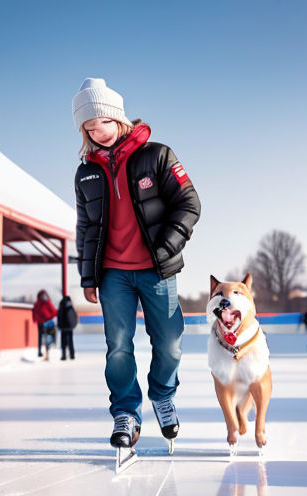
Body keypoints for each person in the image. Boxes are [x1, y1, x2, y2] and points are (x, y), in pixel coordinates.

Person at [72, 78, 201, 452]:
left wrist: (166, 247)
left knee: (170, 343)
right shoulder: (86, 172)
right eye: (89, 128)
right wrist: (87, 276)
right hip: (113, 274)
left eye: (103, 123)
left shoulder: (157, 156)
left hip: (157, 270)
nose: (98, 133)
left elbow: (190, 204)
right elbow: (85, 227)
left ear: (119, 119)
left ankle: (163, 395)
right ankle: (126, 411)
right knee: (117, 346)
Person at [32, 289, 57, 360]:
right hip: (45, 322)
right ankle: (46, 353)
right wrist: (49, 317)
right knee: (46, 338)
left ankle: (41, 352)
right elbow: (54, 311)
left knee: (41, 337)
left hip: (41, 322)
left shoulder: (37, 303)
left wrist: (35, 319)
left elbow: (34, 312)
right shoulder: (47, 302)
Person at [57, 295, 78, 360]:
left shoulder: (61, 306)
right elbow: (74, 317)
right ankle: (72, 355)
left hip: (63, 327)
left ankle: (64, 356)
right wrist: (73, 325)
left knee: (63, 342)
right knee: (70, 341)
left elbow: (59, 316)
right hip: (69, 327)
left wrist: (59, 325)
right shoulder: (71, 307)